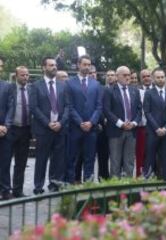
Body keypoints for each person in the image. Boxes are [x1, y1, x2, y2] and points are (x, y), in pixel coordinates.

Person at [30, 57, 69, 194]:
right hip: (43, 129)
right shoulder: (35, 86)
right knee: (41, 159)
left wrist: (61, 123)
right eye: (51, 65)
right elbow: (34, 108)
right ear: (44, 67)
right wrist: (48, 123)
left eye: (55, 65)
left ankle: (54, 183)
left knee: (57, 159)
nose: (54, 67)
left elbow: (68, 107)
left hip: (59, 128)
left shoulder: (63, 86)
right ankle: (38, 186)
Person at [65, 55, 103, 183]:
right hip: (75, 127)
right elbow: (69, 106)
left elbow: (99, 106)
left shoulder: (96, 84)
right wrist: (80, 122)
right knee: (71, 158)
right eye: (84, 64)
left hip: (91, 129)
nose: (87, 67)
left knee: (90, 158)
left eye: (89, 65)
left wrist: (91, 122)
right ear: (78, 65)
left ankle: (88, 184)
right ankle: (70, 184)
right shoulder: (69, 83)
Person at [103, 66, 142, 178]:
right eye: (124, 75)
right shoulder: (109, 91)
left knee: (129, 162)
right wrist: (120, 123)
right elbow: (107, 110)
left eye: (129, 75)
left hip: (132, 131)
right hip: (116, 131)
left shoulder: (134, 90)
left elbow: (139, 110)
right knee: (115, 162)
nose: (127, 77)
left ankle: (128, 190)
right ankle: (115, 191)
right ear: (117, 76)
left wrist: (134, 123)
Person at [143, 68, 166, 180]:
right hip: (153, 131)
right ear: (153, 78)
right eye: (158, 77)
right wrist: (157, 128)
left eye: (162, 77)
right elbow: (147, 112)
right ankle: (149, 181)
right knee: (150, 157)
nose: (161, 79)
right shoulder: (148, 93)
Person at [7, 66, 32, 198]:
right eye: (22, 75)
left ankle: (18, 190)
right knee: (5, 162)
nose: (25, 77)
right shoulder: (9, 89)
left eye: (27, 75)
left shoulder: (31, 90)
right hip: (11, 129)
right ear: (16, 76)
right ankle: (5, 190)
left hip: (26, 130)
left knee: (21, 163)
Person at [0, 58, 14, 200]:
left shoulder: (7, 86)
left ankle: (5, 190)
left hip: (4, 130)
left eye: (1, 66)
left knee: (5, 162)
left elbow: (11, 107)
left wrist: (6, 126)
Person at [135, 69, 153, 177]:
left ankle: (152, 176)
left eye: (148, 76)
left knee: (152, 154)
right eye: (144, 76)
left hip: (154, 128)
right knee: (140, 154)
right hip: (141, 127)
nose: (146, 78)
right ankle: (139, 176)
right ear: (141, 79)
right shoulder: (136, 91)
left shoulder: (156, 90)